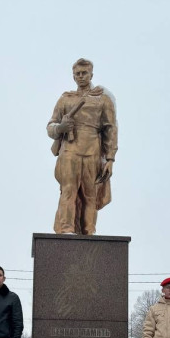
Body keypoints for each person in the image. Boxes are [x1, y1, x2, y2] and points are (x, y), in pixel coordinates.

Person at [47, 58, 118, 235]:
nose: (81, 76)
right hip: (69, 151)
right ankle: (66, 229)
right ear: (73, 76)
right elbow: (50, 127)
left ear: (91, 74)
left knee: (90, 195)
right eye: (77, 74)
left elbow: (110, 129)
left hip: (92, 151)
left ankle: (89, 232)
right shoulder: (65, 99)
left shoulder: (102, 99)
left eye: (84, 73)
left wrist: (110, 159)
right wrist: (61, 128)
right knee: (68, 192)